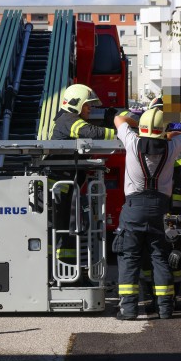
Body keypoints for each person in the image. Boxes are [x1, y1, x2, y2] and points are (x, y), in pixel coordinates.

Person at [113, 105, 181, 320]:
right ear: (162, 130)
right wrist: (168, 133)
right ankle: (165, 309)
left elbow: (119, 119)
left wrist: (137, 124)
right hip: (160, 209)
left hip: (133, 208)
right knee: (160, 257)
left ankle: (128, 310)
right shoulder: (171, 146)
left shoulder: (132, 141)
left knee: (129, 258)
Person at [49, 84, 116, 265]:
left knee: (67, 230)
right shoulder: (68, 119)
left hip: (65, 188)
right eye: (87, 105)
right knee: (59, 231)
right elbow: (91, 132)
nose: (90, 109)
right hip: (57, 189)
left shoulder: (68, 119)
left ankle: (68, 270)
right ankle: (57, 271)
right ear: (75, 104)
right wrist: (118, 130)